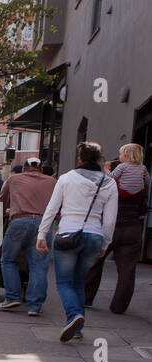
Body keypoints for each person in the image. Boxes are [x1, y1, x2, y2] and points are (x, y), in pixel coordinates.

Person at [36, 141, 119, 342]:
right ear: (100, 159)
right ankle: (77, 328)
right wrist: (105, 244)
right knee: (79, 282)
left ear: (80, 158)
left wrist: (41, 234)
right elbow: (109, 220)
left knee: (64, 282)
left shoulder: (66, 178)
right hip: (94, 236)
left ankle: (74, 316)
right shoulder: (109, 183)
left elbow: (52, 209)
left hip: (67, 234)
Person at [86, 143, 150, 314]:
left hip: (112, 225)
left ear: (126, 155)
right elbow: (146, 192)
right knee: (127, 270)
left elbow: (108, 180)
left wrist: (106, 169)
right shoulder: (143, 171)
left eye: (121, 153)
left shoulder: (119, 173)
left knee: (95, 262)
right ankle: (119, 307)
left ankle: (86, 298)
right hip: (133, 227)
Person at [0, 157, 55, 315]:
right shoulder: (52, 181)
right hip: (44, 223)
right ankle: (34, 306)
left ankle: (12, 296)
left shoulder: (14, 179)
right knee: (39, 265)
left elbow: (1, 200)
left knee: (8, 259)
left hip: (19, 220)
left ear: (24, 169)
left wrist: (3, 214)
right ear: (41, 169)